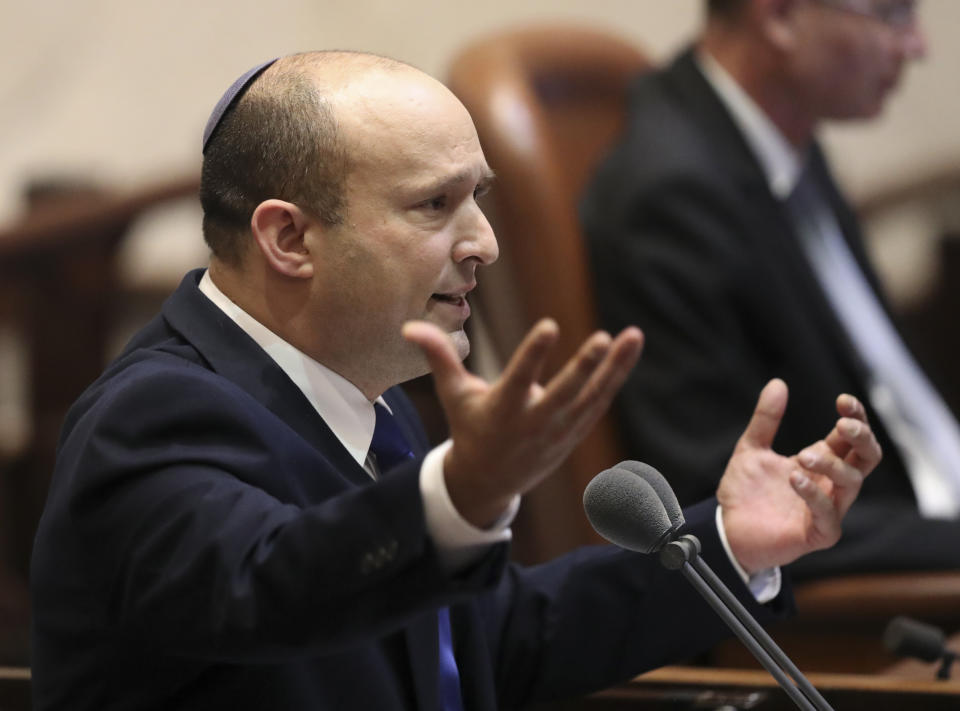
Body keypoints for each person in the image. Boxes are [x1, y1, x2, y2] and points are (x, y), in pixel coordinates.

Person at [30, 50, 879, 710]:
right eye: (435, 206)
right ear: (289, 239)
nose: (484, 242)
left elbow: (487, 641)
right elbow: (271, 584)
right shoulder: (154, 415)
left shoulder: (362, 393)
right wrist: (458, 496)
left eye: (478, 198)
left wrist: (732, 544)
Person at [582, 0, 959, 580]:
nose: (917, 47)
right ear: (779, 15)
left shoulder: (781, 143)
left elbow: (895, 394)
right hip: (884, 602)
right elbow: (729, 511)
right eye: (891, 14)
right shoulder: (669, 196)